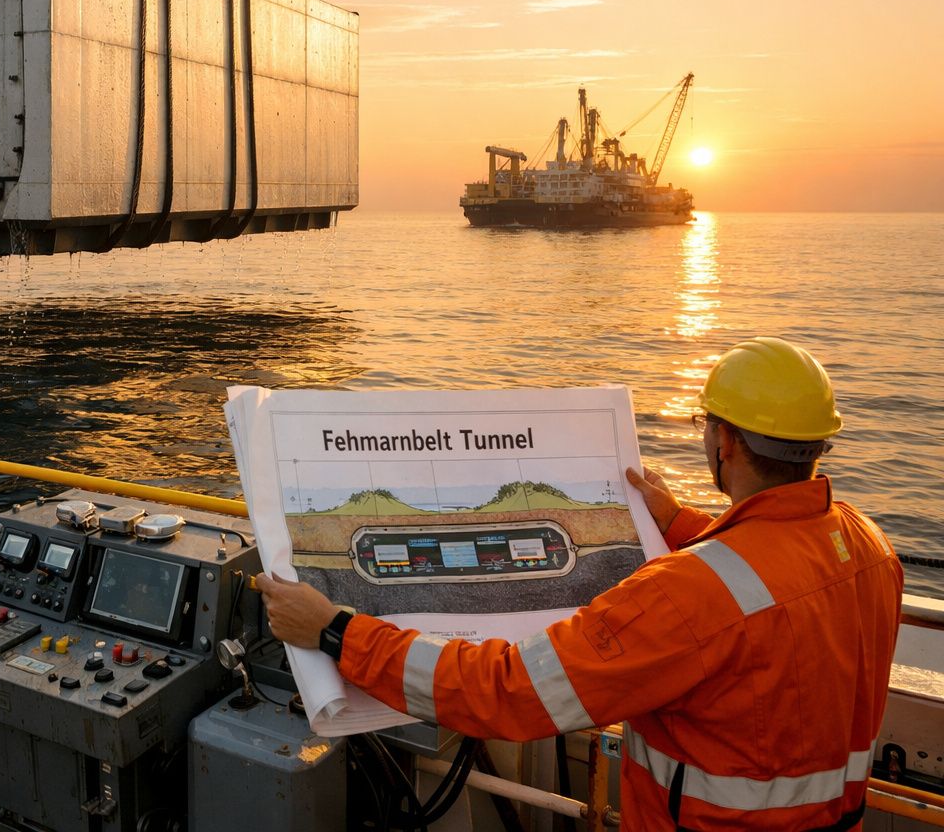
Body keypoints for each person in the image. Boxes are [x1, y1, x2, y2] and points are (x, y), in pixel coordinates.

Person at [258, 337, 903, 831]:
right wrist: (676, 521)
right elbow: (777, 572)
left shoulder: (688, 596)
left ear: (724, 441)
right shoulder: (870, 549)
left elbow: (508, 691)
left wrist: (337, 632)